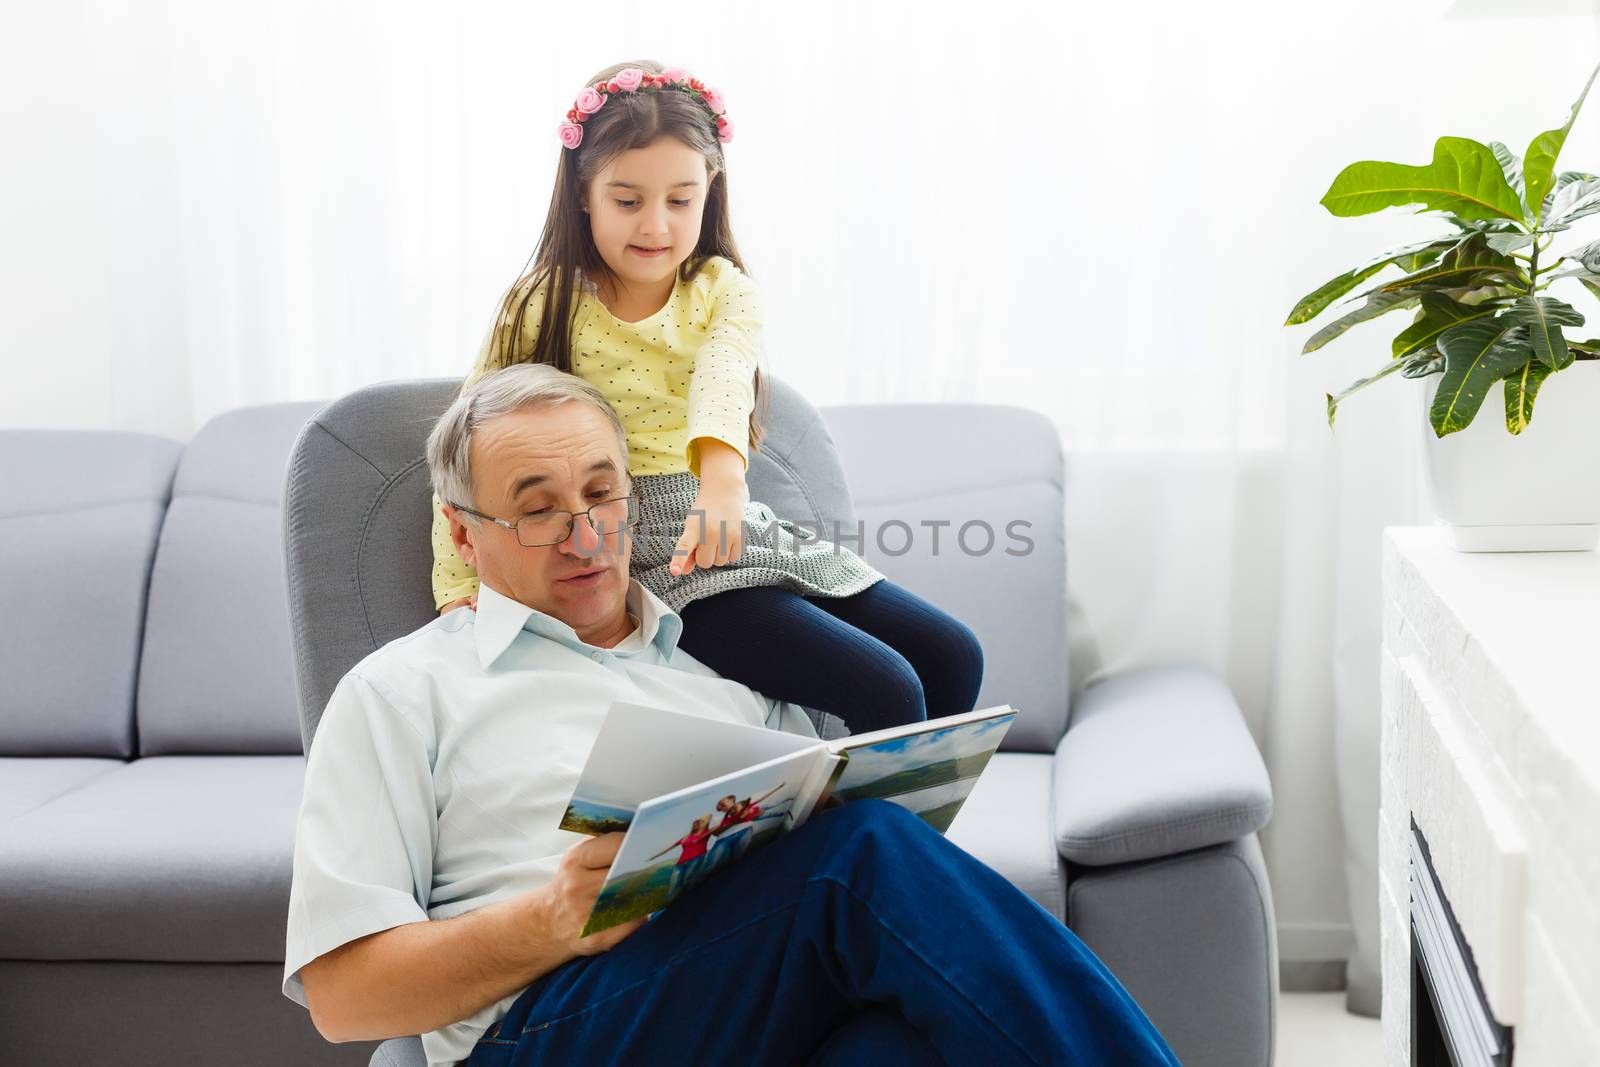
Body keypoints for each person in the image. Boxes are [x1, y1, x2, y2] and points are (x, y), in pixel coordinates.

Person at [282, 363, 1181, 1067]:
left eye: (602, 493)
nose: (587, 535)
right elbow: (343, 999)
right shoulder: (401, 692)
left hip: (746, 1016)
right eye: (537, 510)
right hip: (543, 1033)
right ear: (464, 533)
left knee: (907, 1046)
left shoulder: (729, 664)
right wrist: (550, 918)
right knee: (857, 857)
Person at [428, 59, 984, 735]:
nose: (655, 226)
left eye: (680, 200)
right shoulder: (543, 305)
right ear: (583, 192)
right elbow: (468, 444)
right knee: (887, 689)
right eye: (627, 201)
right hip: (645, 549)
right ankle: (868, 843)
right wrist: (458, 590)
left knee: (953, 656)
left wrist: (723, 477)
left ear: (710, 190)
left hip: (730, 522)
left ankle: (910, 841)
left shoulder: (724, 289)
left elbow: (725, 377)